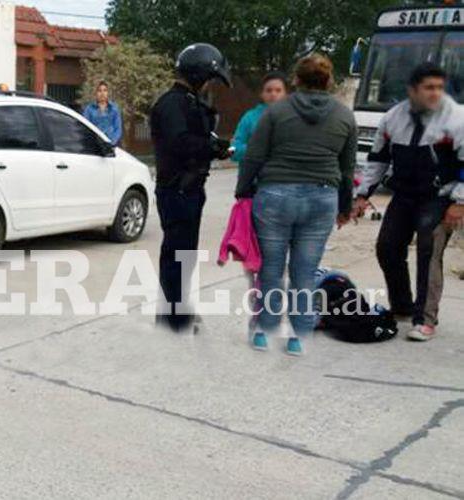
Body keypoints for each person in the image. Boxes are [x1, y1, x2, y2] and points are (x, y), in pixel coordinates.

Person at [236, 54, 357, 356]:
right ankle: (298, 337)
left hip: (275, 196)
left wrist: (242, 191)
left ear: (296, 80)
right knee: (305, 271)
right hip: (321, 199)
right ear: (329, 81)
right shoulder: (344, 115)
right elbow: (347, 168)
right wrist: (345, 206)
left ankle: (263, 332)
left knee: (271, 269)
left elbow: (254, 155)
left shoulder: (276, 113)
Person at [353, 63, 464, 341]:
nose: (435, 93)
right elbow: (378, 159)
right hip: (404, 194)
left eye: (440, 87)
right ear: (412, 91)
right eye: (429, 87)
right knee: (387, 247)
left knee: (428, 253)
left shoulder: (457, 120)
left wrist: (459, 202)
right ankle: (402, 306)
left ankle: (425, 319)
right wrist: (363, 195)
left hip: (439, 197)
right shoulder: (393, 118)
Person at [150, 43, 233, 332]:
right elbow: (181, 144)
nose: (211, 84)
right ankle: (173, 316)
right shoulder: (173, 104)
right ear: (198, 74)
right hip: (178, 191)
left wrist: (214, 146)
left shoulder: (188, 102)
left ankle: (177, 308)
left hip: (190, 190)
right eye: (210, 78)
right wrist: (212, 147)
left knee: (185, 253)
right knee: (176, 254)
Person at [231, 72, 289, 165]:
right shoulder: (249, 117)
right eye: (268, 90)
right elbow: (233, 150)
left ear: (286, 94)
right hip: (255, 176)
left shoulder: (294, 117)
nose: (273, 94)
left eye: (278, 90)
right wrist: (259, 149)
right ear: (261, 94)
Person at [82, 81, 123, 145]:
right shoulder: (89, 109)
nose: (102, 93)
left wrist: (112, 143)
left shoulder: (114, 108)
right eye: (99, 90)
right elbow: (85, 128)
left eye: (105, 90)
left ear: (108, 93)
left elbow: (118, 129)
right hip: (95, 145)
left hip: (111, 144)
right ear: (96, 93)